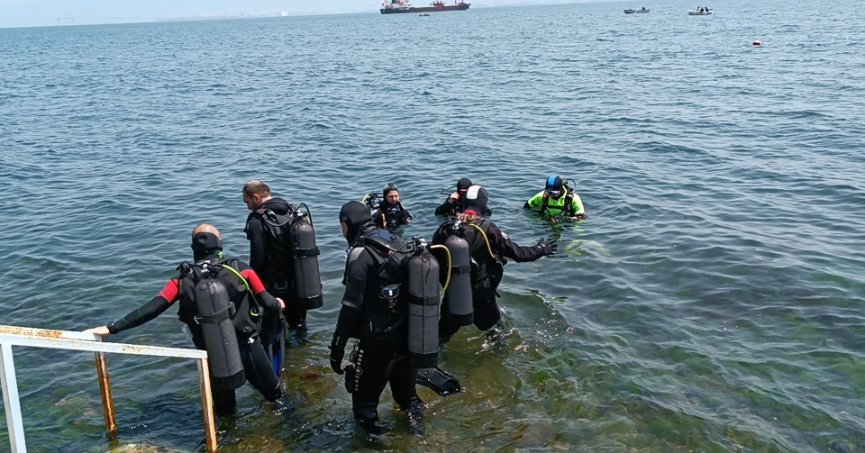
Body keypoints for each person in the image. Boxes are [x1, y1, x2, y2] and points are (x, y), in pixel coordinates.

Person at [87, 224, 285, 416]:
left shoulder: (181, 280)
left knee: (226, 412)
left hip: (211, 352)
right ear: (220, 244)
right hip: (247, 347)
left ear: (193, 248)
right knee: (275, 396)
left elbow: (151, 309)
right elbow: (267, 304)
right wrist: (278, 304)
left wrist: (112, 328)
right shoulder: (241, 269)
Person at [329, 201, 424, 437]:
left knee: (364, 409)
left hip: (378, 344)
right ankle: (420, 437)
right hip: (407, 336)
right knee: (408, 399)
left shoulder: (361, 253)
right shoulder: (397, 242)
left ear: (346, 225)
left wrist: (337, 348)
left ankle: (376, 445)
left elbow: (350, 306)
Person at [434, 185, 557, 342]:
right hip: (482, 294)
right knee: (497, 334)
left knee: (442, 335)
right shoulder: (488, 229)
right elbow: (519, 254)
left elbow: (434, 260)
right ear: (483, 204)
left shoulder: (445, 228)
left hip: (453, 292)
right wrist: (542, 249)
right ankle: (496, 363)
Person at [242, 180, 307, 354]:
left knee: (274, 330)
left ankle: (279, 368)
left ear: (256, 197)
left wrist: (253, 287)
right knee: (299, 327)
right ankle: (303, 358)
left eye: (247, 202)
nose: (248, 207)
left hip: (276, 287)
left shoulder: (257, 220)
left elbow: (257, 259)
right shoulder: (292, 211)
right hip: (302, 281)